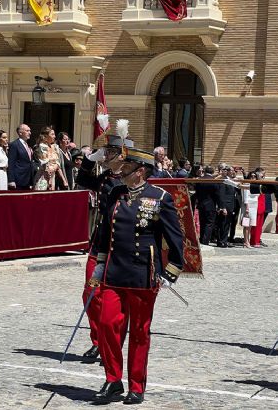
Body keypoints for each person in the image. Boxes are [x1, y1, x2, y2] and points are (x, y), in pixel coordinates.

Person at [91, 146, 184, 405]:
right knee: (108, 324)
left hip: (144, 274)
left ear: (140, 171)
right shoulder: (116, 193)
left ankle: (136, 384)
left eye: (127, 167)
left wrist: (171, 272)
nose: (121, 171)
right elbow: (104, 231)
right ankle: (112, 379)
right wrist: (99, 264)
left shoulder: (160, 197)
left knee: (140, 332)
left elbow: (176, 239)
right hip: (114, 272)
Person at [75, 132, 134, 362]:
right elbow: (82, 178)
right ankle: (99, 340)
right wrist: (91, 158)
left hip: (120, 247)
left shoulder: (132, 180)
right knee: (90, 293)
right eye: (106, 151)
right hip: (98, 245)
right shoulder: (105, 177)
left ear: (122, 155)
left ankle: (111, 342)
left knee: (116, 301)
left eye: (110, 152)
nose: (106, 155)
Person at [32, 127, 66, 191]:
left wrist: (63, 180)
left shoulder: (55, 147)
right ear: (46, 136)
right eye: (52, 134)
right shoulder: (42, 146)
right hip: (43, 176)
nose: (55, 136)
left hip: (52, 175)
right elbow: (45, 162)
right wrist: (49, 178)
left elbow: (57, 163)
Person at [195, 165, 219, 245]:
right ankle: (205, 241)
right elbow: (217, 194)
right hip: (211, 205)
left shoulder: (199, 180)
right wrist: (219, 205)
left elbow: (197, 192)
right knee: (209, 223)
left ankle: (201, 239)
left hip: (201, 204)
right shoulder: (213, 181)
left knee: (202, 222)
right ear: (212, 172)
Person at [7, 123, 33, 190]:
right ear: (20, 133)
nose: (30, 133)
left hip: (27, 180)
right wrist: (11, 180)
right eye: (27, 131)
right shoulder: (14, 145)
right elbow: (11, 163)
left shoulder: (27, 145)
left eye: (29, 131)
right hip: (18, 180)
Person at [216, 164, 236, 248]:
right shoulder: (223, 180)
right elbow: (221, 195)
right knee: (222, 224)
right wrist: (223, 207)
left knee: (227, 224)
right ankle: (220, 241)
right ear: (227, 172)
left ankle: (224, 240)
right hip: (225, 205)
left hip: (231, 205)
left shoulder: (230, 180)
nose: (233, 172)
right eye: (231, 170)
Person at [241, 172, 259, 248]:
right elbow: (245, 197)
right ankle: (246, 241)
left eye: (254, 176)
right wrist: (247, 208)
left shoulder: (256, 185)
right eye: (251, 176)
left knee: (250, 225)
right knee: (246, 225)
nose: (253, 178)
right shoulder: (246, 184)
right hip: (248, 206)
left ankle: (247, 241)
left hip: (254, 206)